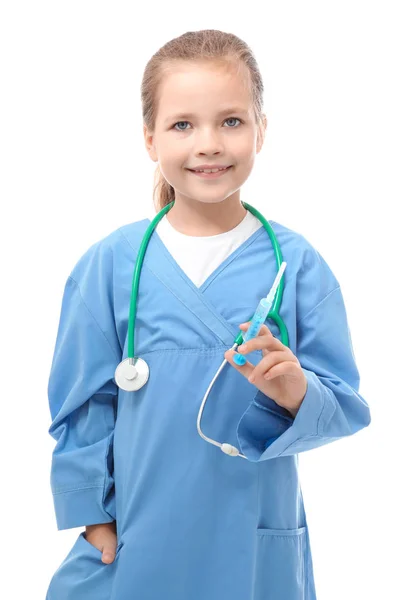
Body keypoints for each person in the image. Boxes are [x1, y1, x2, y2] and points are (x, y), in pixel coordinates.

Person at [45, 29, 371, 600]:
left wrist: (296, 392)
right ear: (149, 139)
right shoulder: (109, 266)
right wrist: (91, 509)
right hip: (137, 535)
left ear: (261, 131)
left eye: (231, 121)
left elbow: (343, 402)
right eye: (182, 125)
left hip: (251, 539)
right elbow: (82, 402)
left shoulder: (295, 265)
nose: (209, 144)